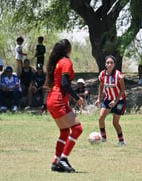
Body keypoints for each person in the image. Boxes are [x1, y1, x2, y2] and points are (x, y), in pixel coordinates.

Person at [46, 39, 83, 173]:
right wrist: (77, 97)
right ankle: (63, 159)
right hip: (58, 100)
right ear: (68, 49)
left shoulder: (58, 62)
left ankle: (56, 162)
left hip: (51, 99)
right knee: (78, 129)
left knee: (65, 131)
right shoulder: (66, 62)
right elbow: (65, 84)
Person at [95, 55, 126, 145]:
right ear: (105, 64)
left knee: (115, 122)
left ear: (114, 64)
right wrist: (99, 98)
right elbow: (101, 86)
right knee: (101, 118)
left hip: (119, 100)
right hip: (108, 99)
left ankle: (121, 141)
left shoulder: (118, 75)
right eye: (108, 63)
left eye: (111, 63)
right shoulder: (102, 74)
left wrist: (116, 101)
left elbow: (123, 89)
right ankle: (103, 138)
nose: (109, 64)